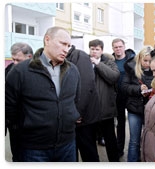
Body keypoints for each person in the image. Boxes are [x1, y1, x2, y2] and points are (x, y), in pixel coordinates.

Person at [5, 26, 81, 162]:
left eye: (68, 46)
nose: (66, 49)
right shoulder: (20, 71)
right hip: (33, 149)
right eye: (63, 43)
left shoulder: (73, 70)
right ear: (47, 40)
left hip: (67, 144)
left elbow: (76, 100)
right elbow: (9, 108)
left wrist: (72, 117)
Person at [66, 45, 101, 162]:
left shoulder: (79, 56)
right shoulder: (65, 58)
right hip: (73, 116)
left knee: (88, 152)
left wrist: (77, 113)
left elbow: (85, 86)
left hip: (84, 117)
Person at [89, 39, 120, 162]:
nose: (94, 51)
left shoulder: (109, 62)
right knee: (90, 141)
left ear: (101, 50)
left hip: (106, 110)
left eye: (97, 49)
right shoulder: (84, 62)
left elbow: (114, 77)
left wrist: (98, 64)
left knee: (110, 140)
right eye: (92, 49)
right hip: (90, 111)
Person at [121, 46, 154, 162]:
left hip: (151, 110)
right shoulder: (131, 69)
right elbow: (124, 87)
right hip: (134, 109)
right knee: (134, 141)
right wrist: (138, 89)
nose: (148, 64)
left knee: (149, 141)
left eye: (150, 61)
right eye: (145, 61)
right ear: (139, 59)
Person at [5, 42, 33, 162]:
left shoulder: (37, 72)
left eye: (18, 60)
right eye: (13, 59)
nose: (15, 63)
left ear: (29, 57)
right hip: (14, 123)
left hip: (31, 124)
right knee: (16, 155)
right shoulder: (9, 70)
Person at [112, 38, 136, 158]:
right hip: (117, 96)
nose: (118, 49)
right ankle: (119, 149)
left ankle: (136, 149)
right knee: (120, 124)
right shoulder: (110, 61)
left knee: (134, 124)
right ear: (113, 48)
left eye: (120, 46)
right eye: (116, 47)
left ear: (124, 47)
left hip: (131, 95)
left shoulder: (132, 60)